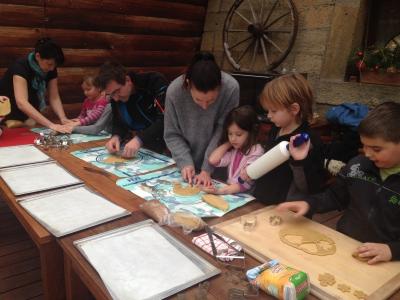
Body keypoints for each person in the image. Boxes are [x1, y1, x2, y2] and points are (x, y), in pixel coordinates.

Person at [277, 102, 400, 264]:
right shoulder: (357, 165)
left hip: (386, 259)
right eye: (364, 145)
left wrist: (392, 250)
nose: (367, 153)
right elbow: (335, 196)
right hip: (346, 245)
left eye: (376, 149)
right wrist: (309, 204)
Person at [242, 73, 325, 204]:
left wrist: (298, 162)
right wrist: (253, 171)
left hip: (287, 210)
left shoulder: (308, 141)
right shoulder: (276, 129)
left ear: (294, 109)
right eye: (268, 110)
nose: (269, 115)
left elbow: (310, 186)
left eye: (273, 111)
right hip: (263, 200)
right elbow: (268, 162)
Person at [164, 51, 239, 187]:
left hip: (220, 163)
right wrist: (185, 162)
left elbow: (223, 129)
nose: (204, 107)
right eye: (198, 100)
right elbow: (172, 133)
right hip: (186, 162)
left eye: (211, 101)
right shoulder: (174, 92)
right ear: (188, 84)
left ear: (220, 86)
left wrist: (207, 168)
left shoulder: (231, 88)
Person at [95, 62, 168, 157]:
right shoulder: (116, 96)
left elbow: (166, 119)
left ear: (127, 80)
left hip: (169, 145)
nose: (116, 99)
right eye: (111, 94)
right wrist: (116, 136)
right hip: (147, 150)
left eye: (117, 91)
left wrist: (139, 139)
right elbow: (118, 120)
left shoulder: (154, 82)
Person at [0, 38, 71, 132]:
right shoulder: (20, 67)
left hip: (29, 117)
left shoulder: (51, 68)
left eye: (55, 65)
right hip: (7, 115)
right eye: (49, 64)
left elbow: (54, 97)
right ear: (38, 56)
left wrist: (63, 118)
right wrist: (51, 125)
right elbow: (21, 102)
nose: (52, 68)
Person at [205, 105, 264, 194]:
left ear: (251, 132)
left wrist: (219, 191)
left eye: (238, 134)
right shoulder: (236, 149)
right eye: (230, 134)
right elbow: (213, 160)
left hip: (245, 196)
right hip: (230, 191)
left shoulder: (256, 151)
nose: (233, 139)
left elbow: (244, 184)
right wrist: (229, 143)